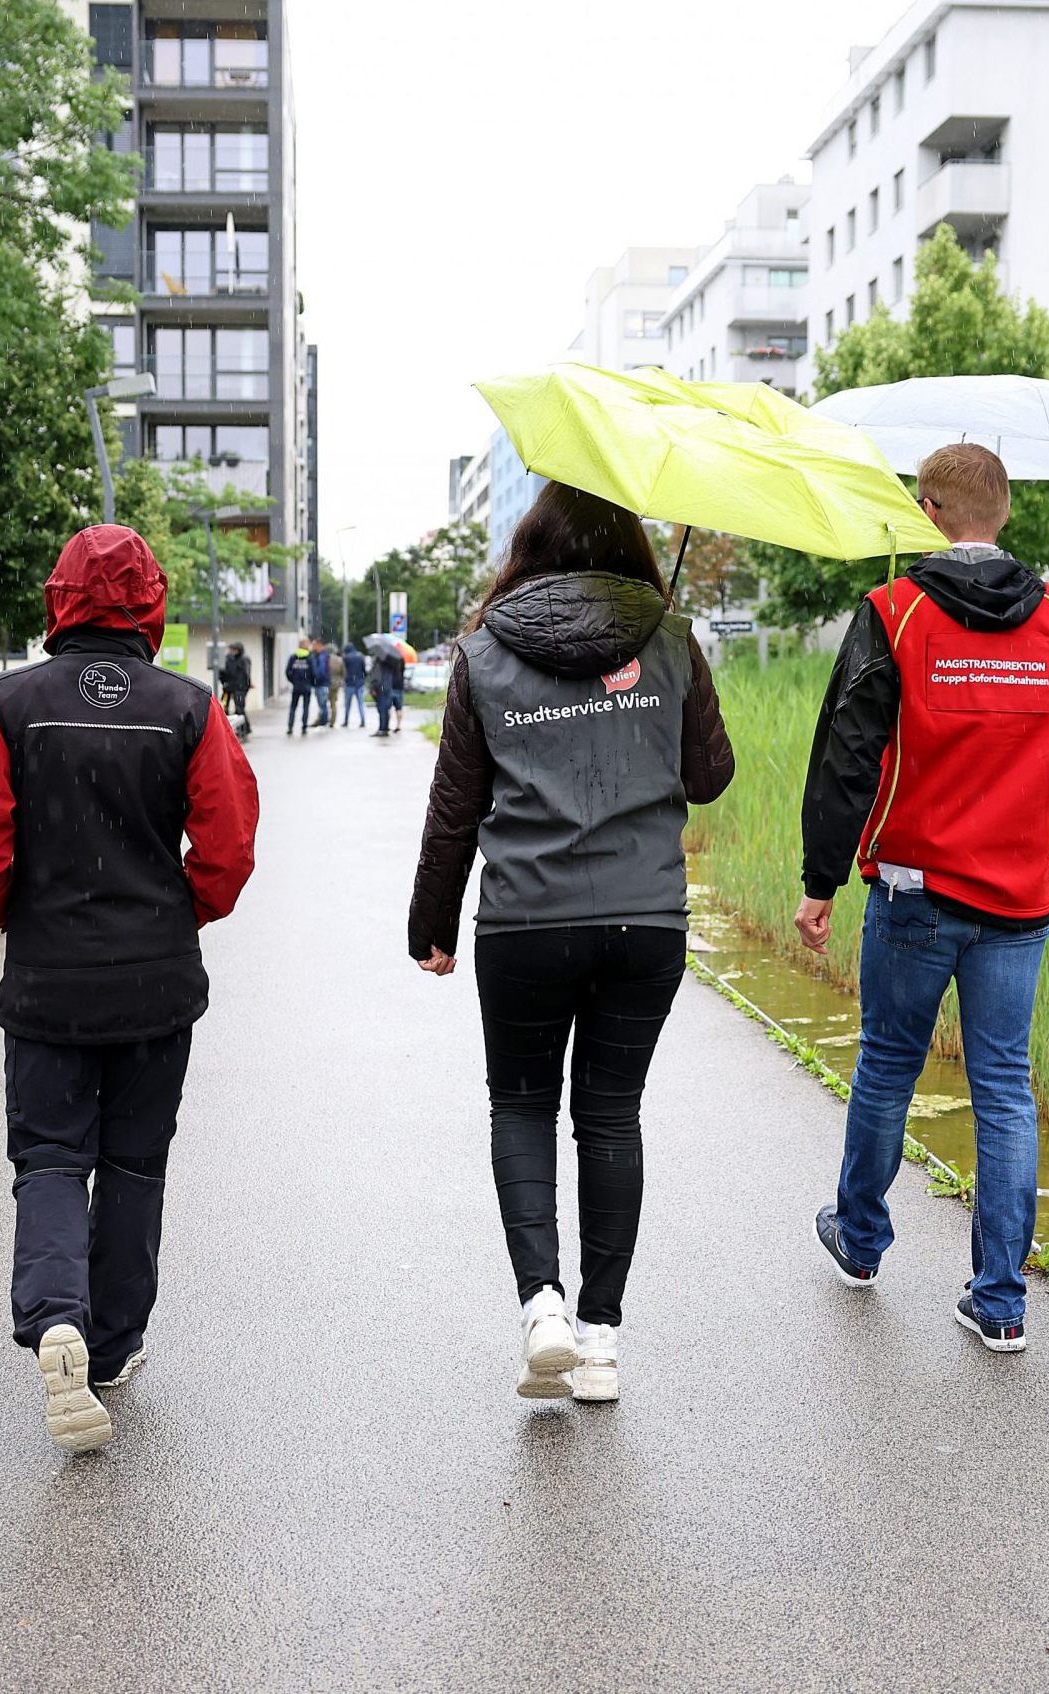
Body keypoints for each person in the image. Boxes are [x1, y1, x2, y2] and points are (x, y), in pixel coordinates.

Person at [407, 482, 734, 1403]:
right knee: (610, 1116)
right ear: (629, 546)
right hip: (645, 923)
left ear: (532, 541)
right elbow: (709, 777)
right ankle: (600, 1343)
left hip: (525, 924)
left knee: (520, 1108)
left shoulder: (482, 653)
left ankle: (541, 1304)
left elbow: (454, 813)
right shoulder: (668, 638)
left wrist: (429, 924)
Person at [0, 524, 258, 1453]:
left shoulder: (9, 704)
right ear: (151, 600)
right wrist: (177, 914)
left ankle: (55, 1320)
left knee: (47, 1154)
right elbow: (230, 849)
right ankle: (112, 1346)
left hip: (47, 979)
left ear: (61, 597)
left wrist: (24, 917)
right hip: (156, 981)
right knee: (133, 1162)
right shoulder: (189, 708)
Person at [799, 444, 1049, 1354]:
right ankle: (1002, 1301)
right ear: (1003, 513)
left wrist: (819, 885)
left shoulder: (893, 613)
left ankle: (859, 1245)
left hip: (915, 891)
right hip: (1018, 897)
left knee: (889, 1066)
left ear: (928, 510)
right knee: (1005, 1090)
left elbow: (846, 758)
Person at [219, 640, 252, 739]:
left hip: (239, 689)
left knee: (239, 709)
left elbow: (245, 675)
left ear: (237, 650)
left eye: (232, 650)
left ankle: (244, 730)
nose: (230, 651)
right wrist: (224, 682)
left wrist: (245, 687)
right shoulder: (227, 659)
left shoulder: (243, 660)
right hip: (227, 689)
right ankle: (226, 729)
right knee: (223, 707)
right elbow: (221, 673)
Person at [371, 643, 404, 736]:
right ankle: (384, 728)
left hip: (381, 687)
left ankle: (382, 729)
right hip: (388, 687)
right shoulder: (393, 661)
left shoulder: (380, 661)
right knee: (385, 708)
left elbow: (376, 676)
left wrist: (373, 687)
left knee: (382, 709)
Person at [285, 640, 314, 735]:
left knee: (293, 707)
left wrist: (293, 681)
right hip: (306, 686)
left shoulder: (293, 657)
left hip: (296, 686)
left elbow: (288, 672)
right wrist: (311, 682)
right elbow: (314, 673)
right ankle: (304, 727)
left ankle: (290, 727)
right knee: (305, 707)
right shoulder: (310, 658)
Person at [342, 643, 367, 727]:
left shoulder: (346, 658)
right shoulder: (360, 656)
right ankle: (363, 720)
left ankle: (346, 721)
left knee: (347, 705)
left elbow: (344, 670)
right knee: (361, 704)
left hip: (349, 683)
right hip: (359, 683)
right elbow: (364, 670)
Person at [309, 638, 332, 730]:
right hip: (323, 683)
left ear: (319, 645)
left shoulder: (321, 656)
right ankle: (324, 721)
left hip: (321, 684)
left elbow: (321, 671)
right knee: (323, 704)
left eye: (314, 645)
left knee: (322, 704)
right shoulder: (322, 655)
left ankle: (324, 722)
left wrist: (316, 677)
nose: (313, 647)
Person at [327, 643, 345, 725]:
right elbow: (343, 673)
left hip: (327, 683)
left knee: (327, 702)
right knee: (333, 702)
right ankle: (332, 720)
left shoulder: (327, 659)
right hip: (336, 683)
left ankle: (327, 719)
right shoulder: (339, 660)